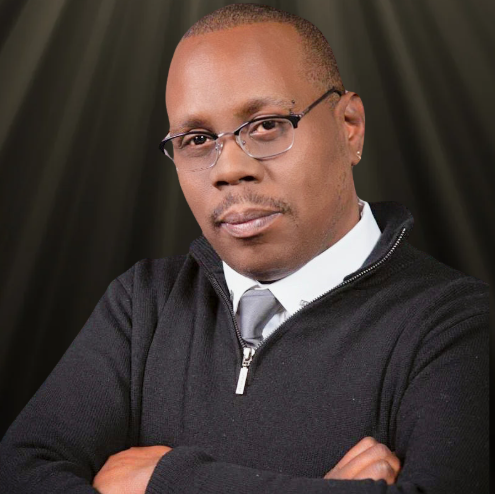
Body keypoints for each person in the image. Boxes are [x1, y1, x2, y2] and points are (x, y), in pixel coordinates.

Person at [0, 4, 489, 493]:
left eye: (266, 125)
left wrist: (167, 482)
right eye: (196, 138)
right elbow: (20, 471)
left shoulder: (455, 325)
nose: (229, 169)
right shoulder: (142, 306)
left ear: (349, 125)